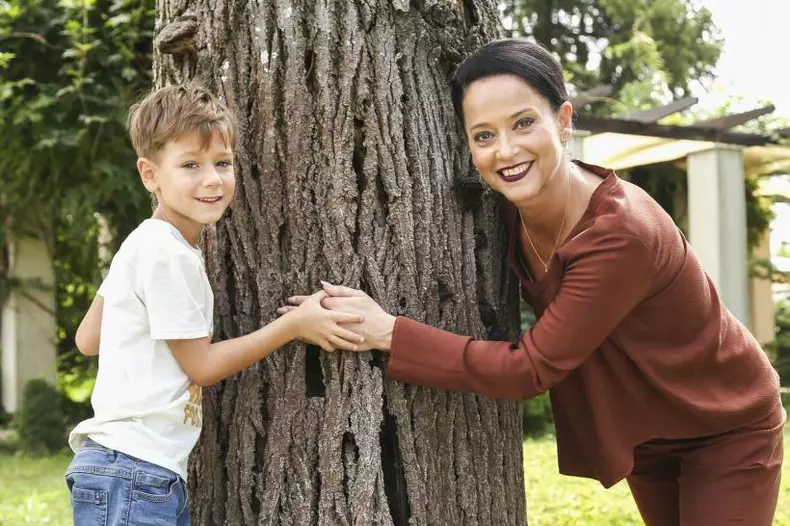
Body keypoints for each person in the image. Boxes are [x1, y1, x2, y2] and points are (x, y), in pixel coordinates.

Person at [281, 40, 784, 525]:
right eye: (483, 135)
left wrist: (389, 332)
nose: (506, 150)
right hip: (646, 430)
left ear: (563, 122)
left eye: (524, 123)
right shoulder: (504, 209)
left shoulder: (621, 233)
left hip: (723, 425)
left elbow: (530, 370)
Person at [65, 85, 365, 526]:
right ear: (150, 175)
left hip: (118, 467)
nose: (212, 179)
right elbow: (201, 368)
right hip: (135, 472)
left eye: (223, 163)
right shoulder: (167, 254)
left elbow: (87, 339)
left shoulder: (142, 244)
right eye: (190, 165)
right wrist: (295, 325)